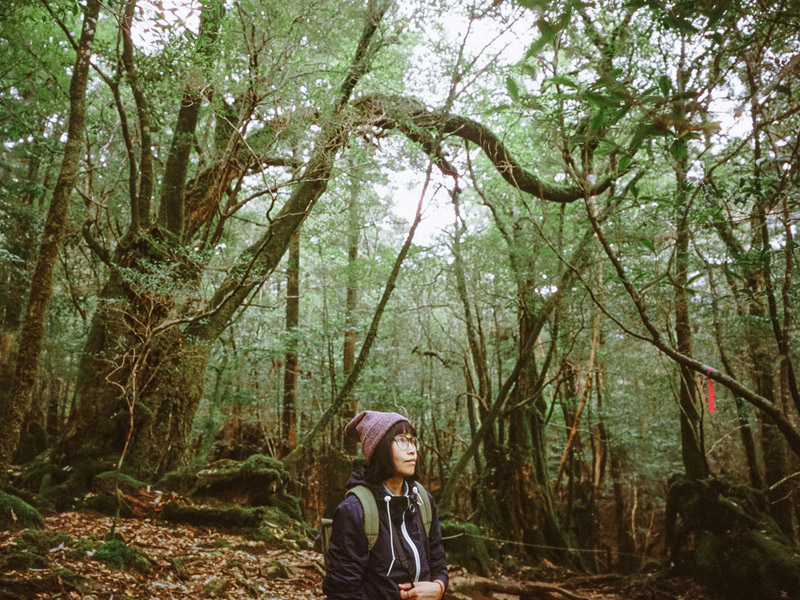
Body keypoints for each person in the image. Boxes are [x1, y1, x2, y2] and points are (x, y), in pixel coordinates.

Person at [322, 410, 448, 600]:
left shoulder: (423, 500)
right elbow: (341, 591)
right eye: (402, 441)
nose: (412, 449)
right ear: (378, 448)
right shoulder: (355, 511)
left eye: (413, 441)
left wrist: (439, 588)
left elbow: (437, 559)